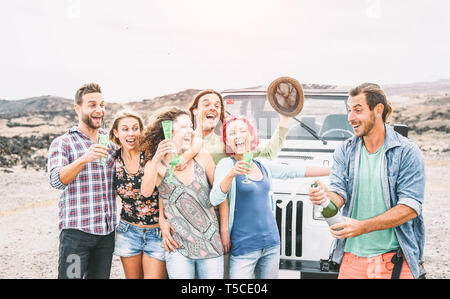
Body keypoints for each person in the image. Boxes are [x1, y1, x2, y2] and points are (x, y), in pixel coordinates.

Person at [308, 83, 426, 279]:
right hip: (351, 260)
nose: (350, 117)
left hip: (394, 262)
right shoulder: (345, 150)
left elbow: (410, 207)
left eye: (357, 110)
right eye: (349, 110)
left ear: (378, 110)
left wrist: (363, 227)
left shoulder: (406, 151)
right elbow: (338, 193)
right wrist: (324, 196)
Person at [210, 115, 331, 279]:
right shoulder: (226, 165)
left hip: (271, 244)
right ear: (227, 142)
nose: (238, 135)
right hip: (243, 248)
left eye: (242, 130)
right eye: (231, 133)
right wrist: (231, 175)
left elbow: (292, 171)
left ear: (251, 136)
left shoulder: (261, 164)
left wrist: (332, 170)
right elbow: (215, 199)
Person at [140, 107, 224, 279]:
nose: (190, 131)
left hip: (211, 243)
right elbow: (147, 192)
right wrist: (156, 158)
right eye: (184, 126)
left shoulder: (202, 156)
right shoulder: (156, 165)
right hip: (177, 245)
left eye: (191, 126)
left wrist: (225, 232)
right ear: (168, 131)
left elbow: (221, 195)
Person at [47, 83, 117, 279]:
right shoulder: (63, 142)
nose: (99, 110)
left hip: (106, 233)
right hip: (76, 234)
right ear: (78, 108)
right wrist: (84, 159)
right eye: (92, 105)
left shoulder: (111, 143)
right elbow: (56, 181)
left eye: (102, 105)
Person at [109, 110, 167, 279]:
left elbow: (167, 187)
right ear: (116, 133)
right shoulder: (113, 159)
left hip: (156, 232)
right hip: (128, 231)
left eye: (135, 128)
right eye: (125, 129)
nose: (131, 133)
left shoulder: (150, 155)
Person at [187, 89, 291, 165]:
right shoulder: (181, 140)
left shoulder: (227, 144)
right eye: (206, 104)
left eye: (217, 106)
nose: (213, 108)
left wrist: (285, 116)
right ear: (195, 110)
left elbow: (267, 153)